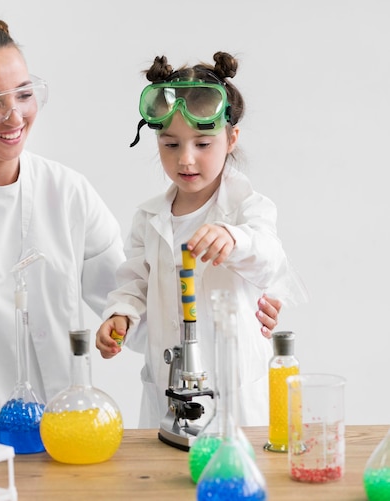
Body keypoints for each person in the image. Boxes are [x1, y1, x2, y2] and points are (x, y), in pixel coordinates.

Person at [0, 18, 282, 428]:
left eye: (23, 94)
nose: (14, 116)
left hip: (49, 428)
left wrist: (237, 303)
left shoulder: (66, 192)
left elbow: (138, 308)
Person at [95, 52, 306, 428]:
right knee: (166, 477)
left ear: (231, 138)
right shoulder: (148, 217)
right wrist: (120, 314)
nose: (186, 160)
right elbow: (135, 282)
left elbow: (271, 258)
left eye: (203, 144)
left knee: (234, 474)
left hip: (236, 393)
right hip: (169, 389)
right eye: (171, 144)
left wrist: (233, 238)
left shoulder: (247, 208)